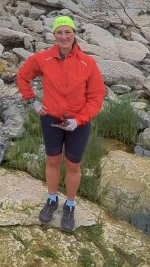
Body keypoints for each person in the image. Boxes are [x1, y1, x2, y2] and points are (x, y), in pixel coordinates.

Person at [16, 14, 106, 232]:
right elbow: (22, 76)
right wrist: (32, 101)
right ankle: (52, 199)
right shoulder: (43, 58)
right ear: (54, 35)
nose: (64, 36)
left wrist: (79, 119)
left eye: (68, 32)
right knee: (52, 160)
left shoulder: (88, 62)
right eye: (59, 32)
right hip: (51, 119)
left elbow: (97, 96)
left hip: (78, 123)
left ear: (74, 34)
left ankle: (70, 205)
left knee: (73, 165)